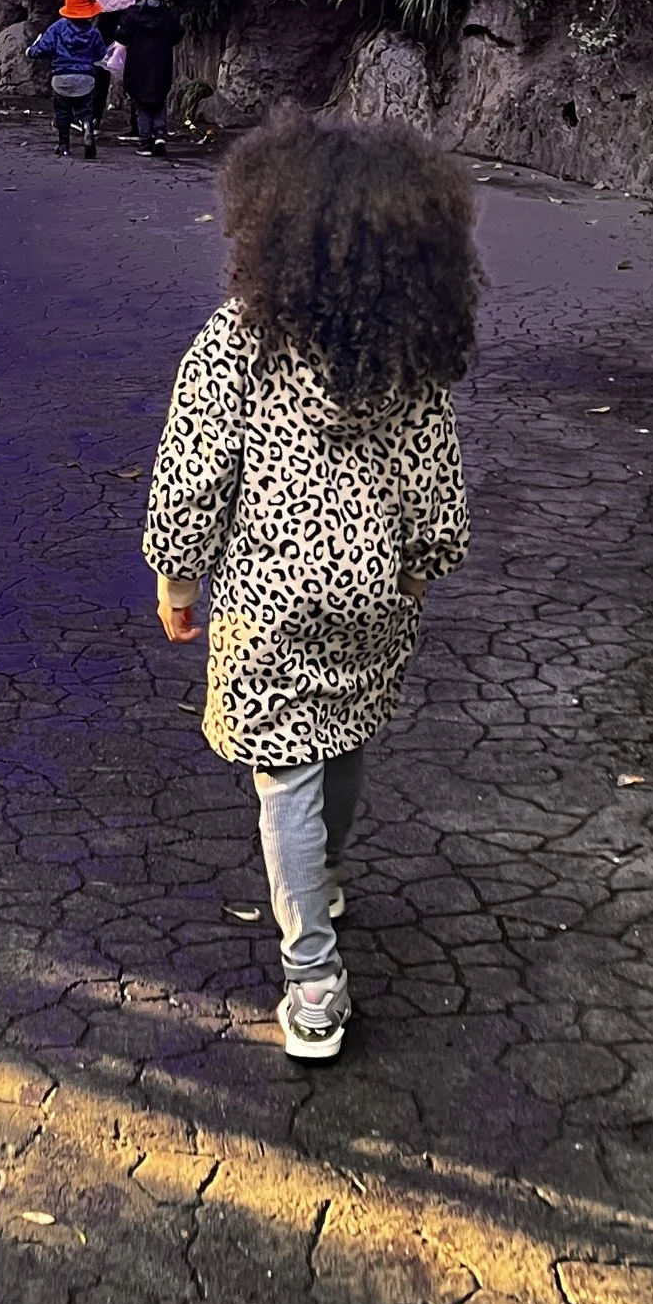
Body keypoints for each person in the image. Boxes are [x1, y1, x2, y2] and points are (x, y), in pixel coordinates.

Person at [142, 113, 474, 1063]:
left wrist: (177, 572)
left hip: (269, 594)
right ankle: (325, 876)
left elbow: (195, 465)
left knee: (284, 765)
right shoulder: (405, 344)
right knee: (349, 726)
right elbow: (433, 470)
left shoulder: (239, 337)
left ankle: (314, 978)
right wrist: (423, 557)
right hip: (375, 586)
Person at [100, 0, 180, 155]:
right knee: (159, 99)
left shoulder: (133, 13)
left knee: (141, 102)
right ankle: (160, 133)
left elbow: (123, 35)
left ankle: (145, 141)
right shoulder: (169, 14)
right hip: (162, 62)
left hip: (137, 64)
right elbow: (177, 35)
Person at [26, 0, 112, 157]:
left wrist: (31, 50)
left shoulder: (57, 28)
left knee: (63, 113)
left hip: (61, 77)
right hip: (86, 78)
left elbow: (43, 48)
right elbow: (101, 54)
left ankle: (63, 145)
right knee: (86, 109)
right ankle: (88, 127)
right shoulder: (93, 32)